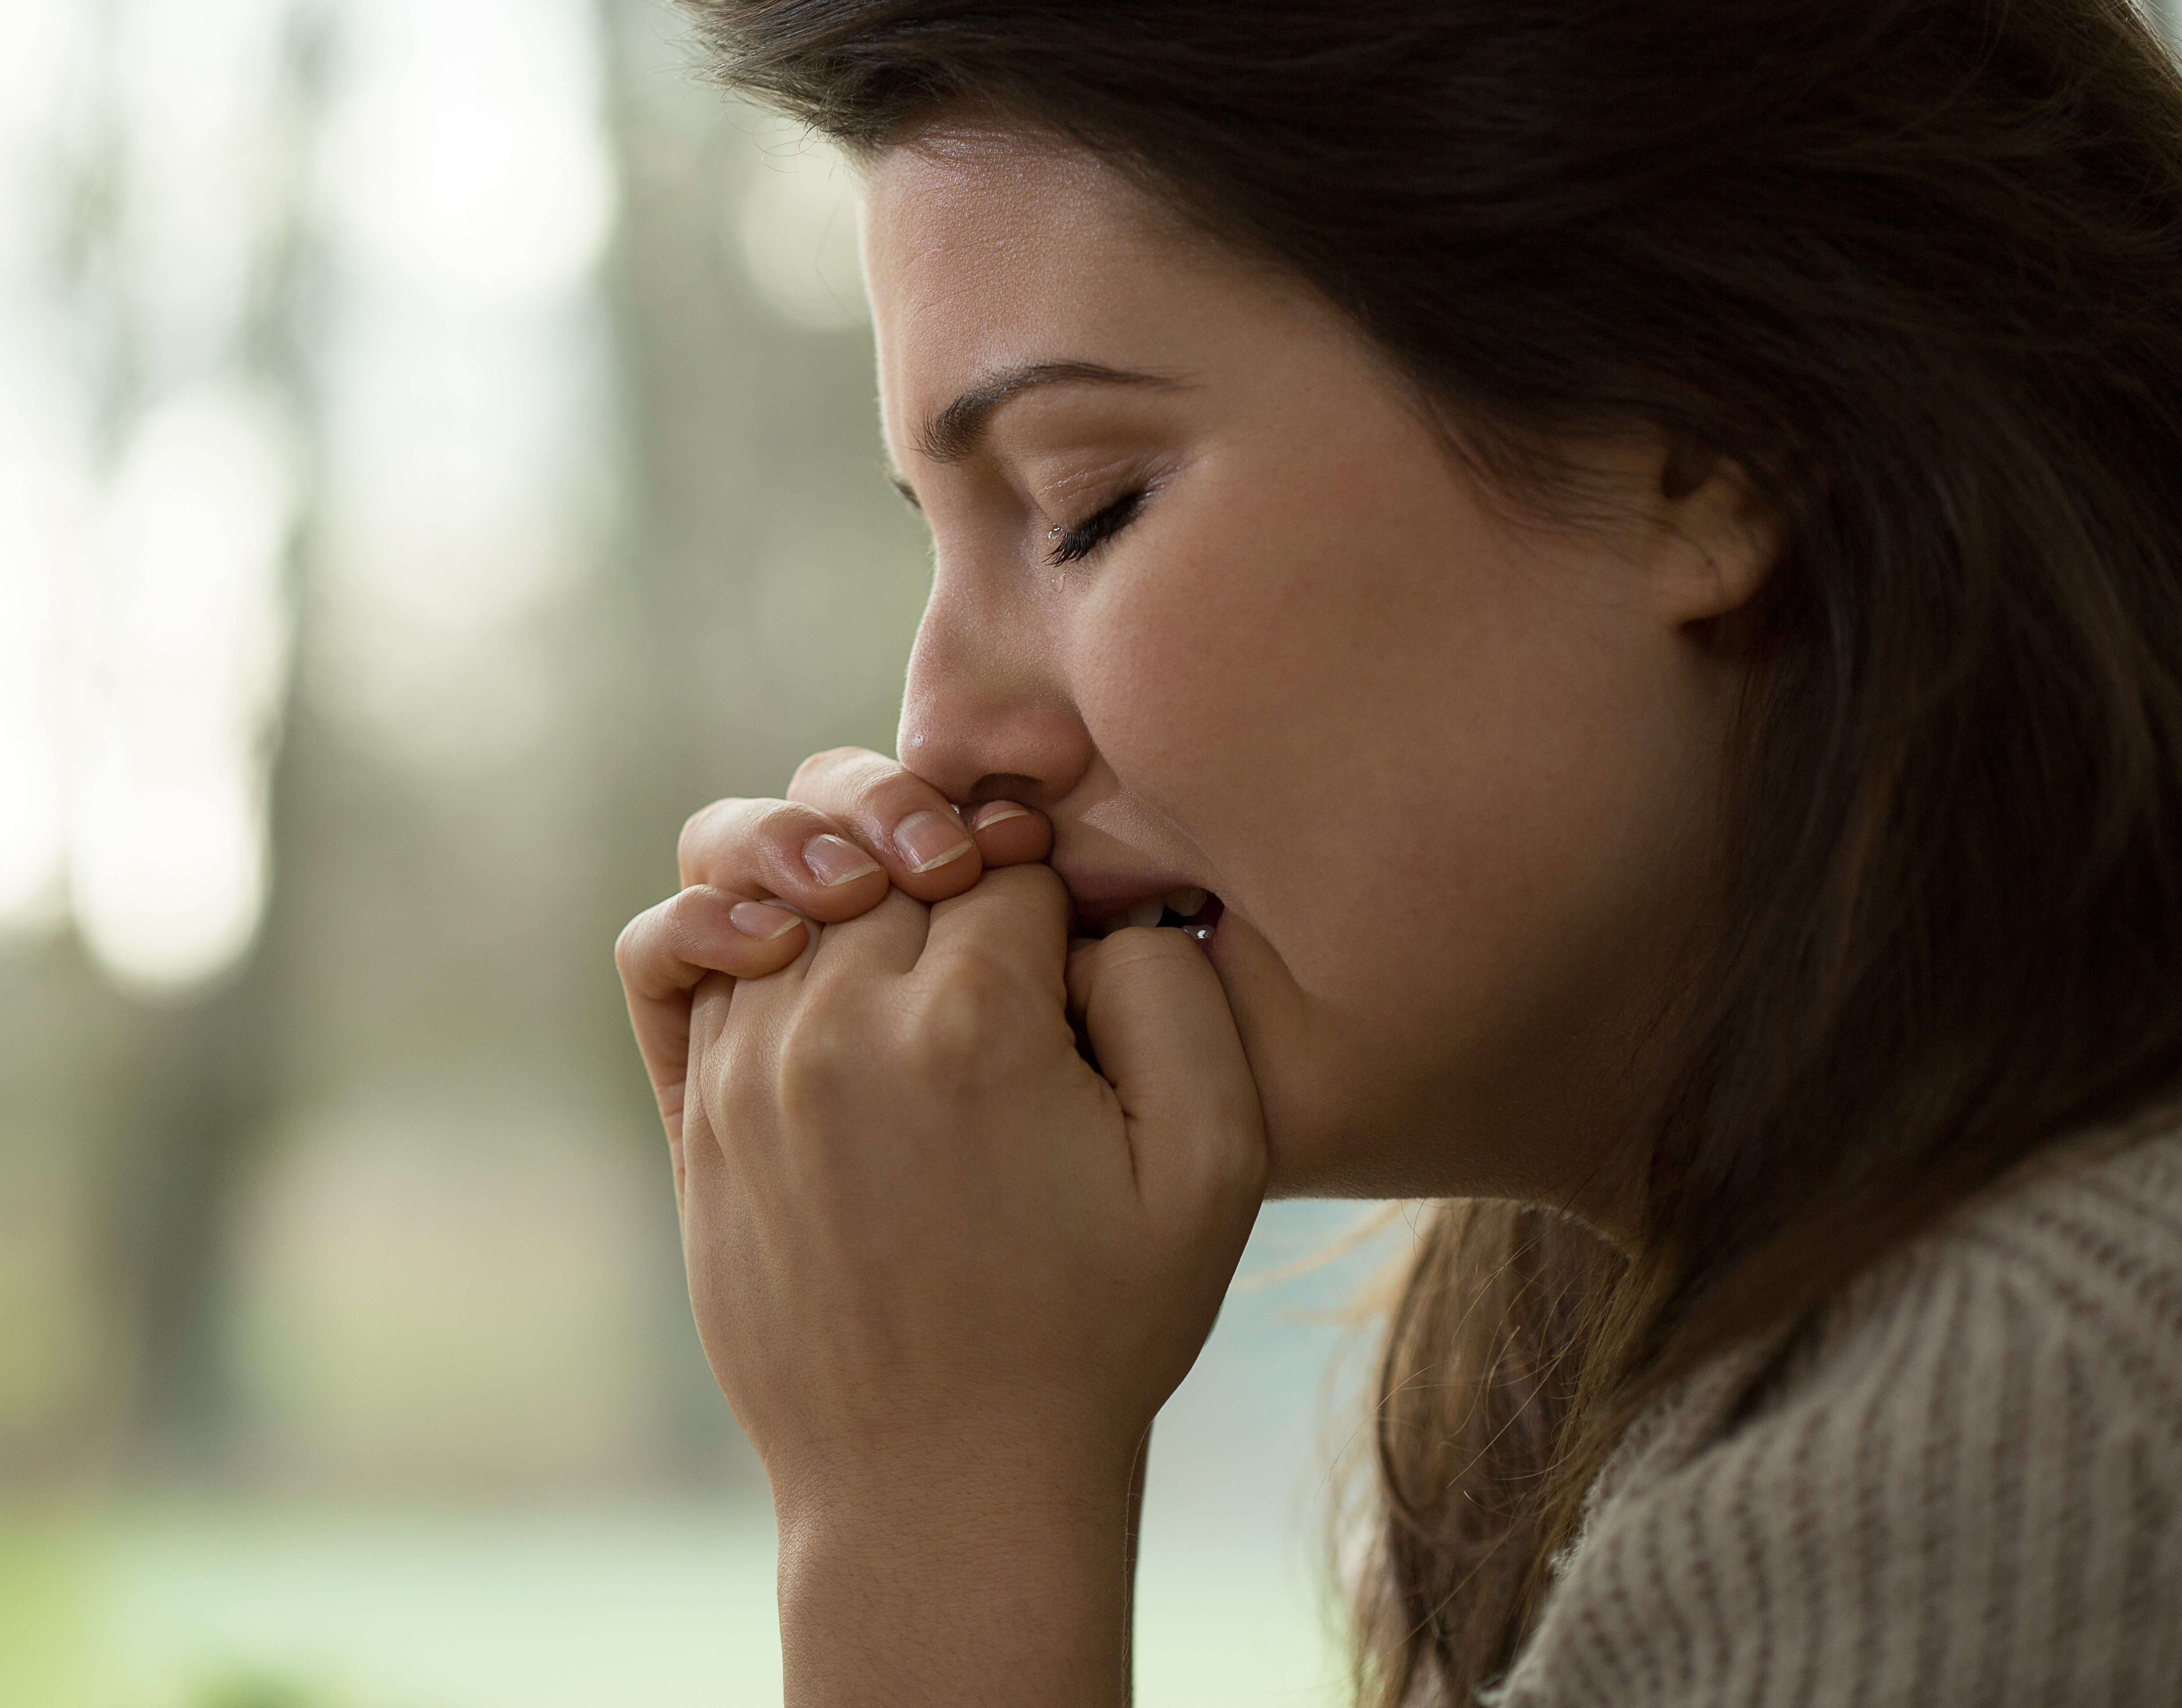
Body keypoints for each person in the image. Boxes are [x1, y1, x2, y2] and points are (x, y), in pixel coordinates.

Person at [611, 3, 2182, 1703]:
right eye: (942, 540)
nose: (942, 737)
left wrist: (925, 1508)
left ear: (1711, 449)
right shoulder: (1617, 1390)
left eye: (1088, 504)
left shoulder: (2024, 1439)